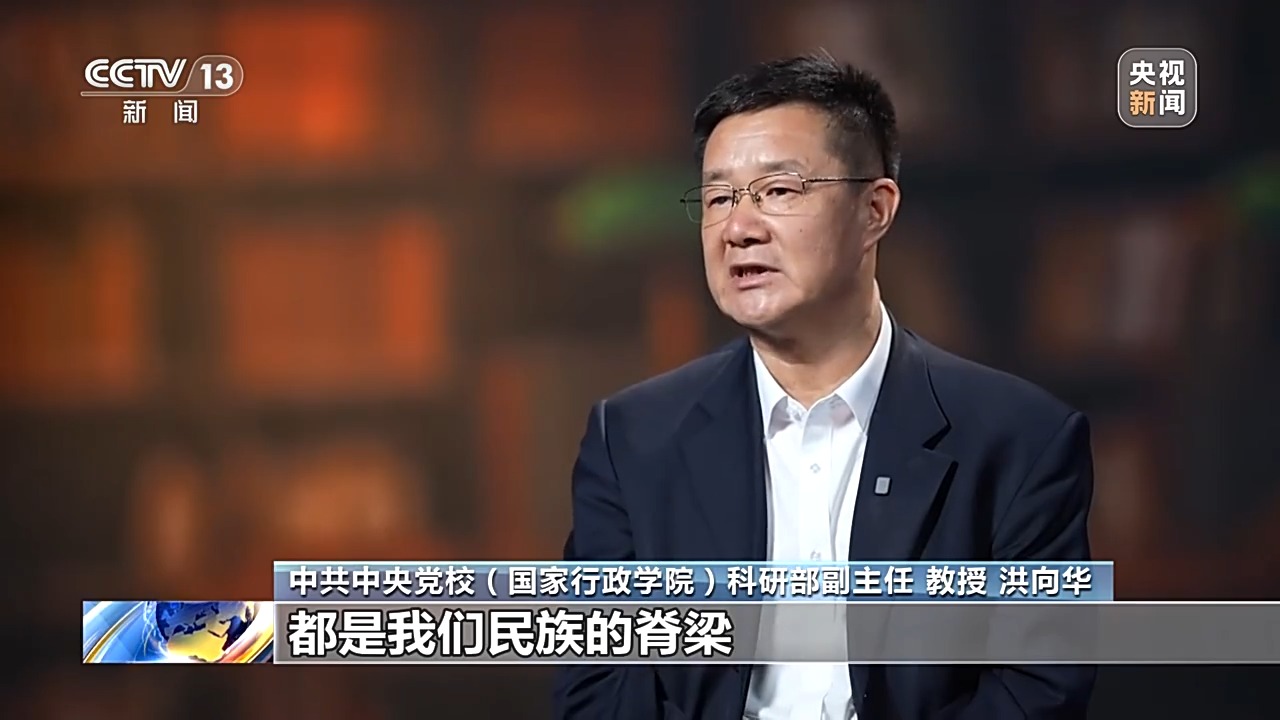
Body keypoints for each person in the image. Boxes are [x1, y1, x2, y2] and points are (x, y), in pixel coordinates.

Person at [553, 53, 1095, 720]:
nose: (739, 229)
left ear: (875, 209)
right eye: (719, 198)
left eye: (779, 191)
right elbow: (597, 685)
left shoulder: (1020, 439)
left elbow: (1040, 685)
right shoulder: (632, 439)